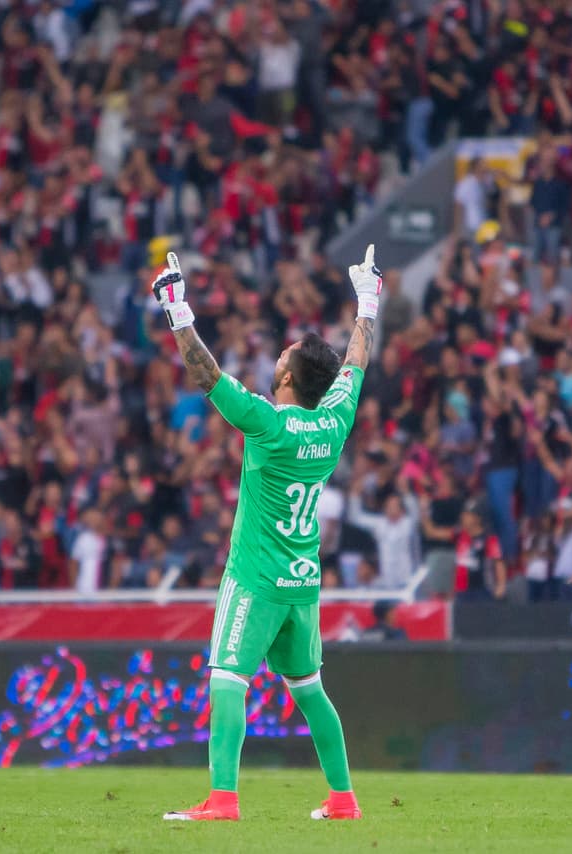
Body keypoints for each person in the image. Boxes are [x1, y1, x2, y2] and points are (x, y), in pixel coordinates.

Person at [160, 245, 381, 822]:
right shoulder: (334, 420)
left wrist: (177, 310)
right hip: (302, 584)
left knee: (228, 675)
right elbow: (356, 362)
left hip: (256, 577)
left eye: (281, 357)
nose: (275, 360)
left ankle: (224, 800)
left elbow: (207, 376)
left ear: (285, 376)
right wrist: (368, 300)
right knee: (309, 691)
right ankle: (343, 798)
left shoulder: (268, 424)